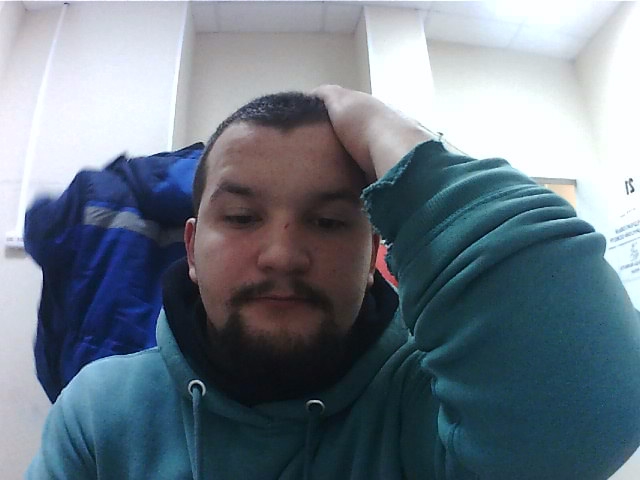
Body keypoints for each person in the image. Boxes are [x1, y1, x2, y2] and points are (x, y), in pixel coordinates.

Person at [28, 86, 640, 479]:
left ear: (373, 253)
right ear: (191, 249)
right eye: (240, 217)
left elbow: (592, 403)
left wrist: (388, 131)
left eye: (327, 222)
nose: (282, 254)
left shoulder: (434, 400)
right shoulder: (99, 412)